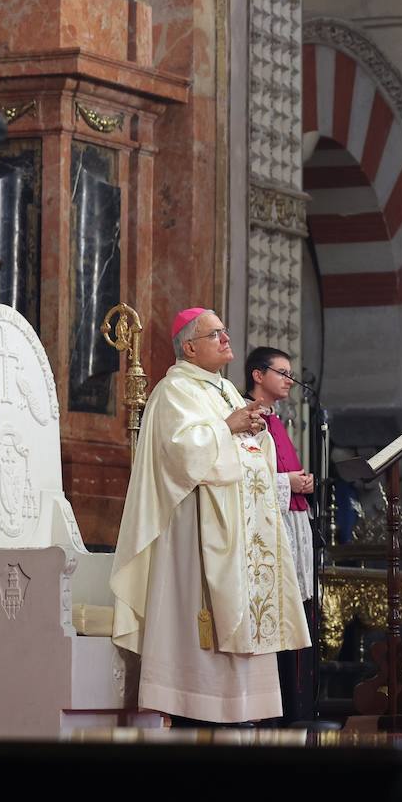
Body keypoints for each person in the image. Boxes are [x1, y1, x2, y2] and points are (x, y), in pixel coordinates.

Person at [110, 308, 310, 724]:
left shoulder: (227, 392)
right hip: (196, 531)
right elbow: (181, 454)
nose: (225, 338)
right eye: (215, 334)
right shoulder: (174, 390)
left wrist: (255, 433)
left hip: (239, 530)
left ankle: (243, 708)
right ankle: (195, 708)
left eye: (224, 331)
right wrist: (228, 428)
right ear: (189, 347)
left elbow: (251, 455)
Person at [245, 345, 318, 721]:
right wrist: (289, 482)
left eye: (291, 372)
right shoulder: (249, 417)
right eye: (282, 372)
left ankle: (298, 705)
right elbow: (244, 475)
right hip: (271, 523)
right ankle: (281, 708)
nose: (289, 379)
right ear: (258, 375)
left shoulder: (275, 419)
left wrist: (299, 480)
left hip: (293, 516)